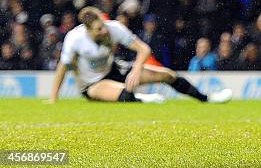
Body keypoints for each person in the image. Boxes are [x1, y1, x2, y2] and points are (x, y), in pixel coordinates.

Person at [49, 7, 232, 104]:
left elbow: (143, 49)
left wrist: (135, 70)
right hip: (92, 84)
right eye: (99, 29)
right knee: (125, 95)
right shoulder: (74, 38)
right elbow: (62, 68)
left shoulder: (113, 28)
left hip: (114, 69)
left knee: (167, 75)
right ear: (87, 30)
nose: (104, 30)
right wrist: (53, 98)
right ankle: (144, 99)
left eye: (103, 25)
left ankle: (208, 98)